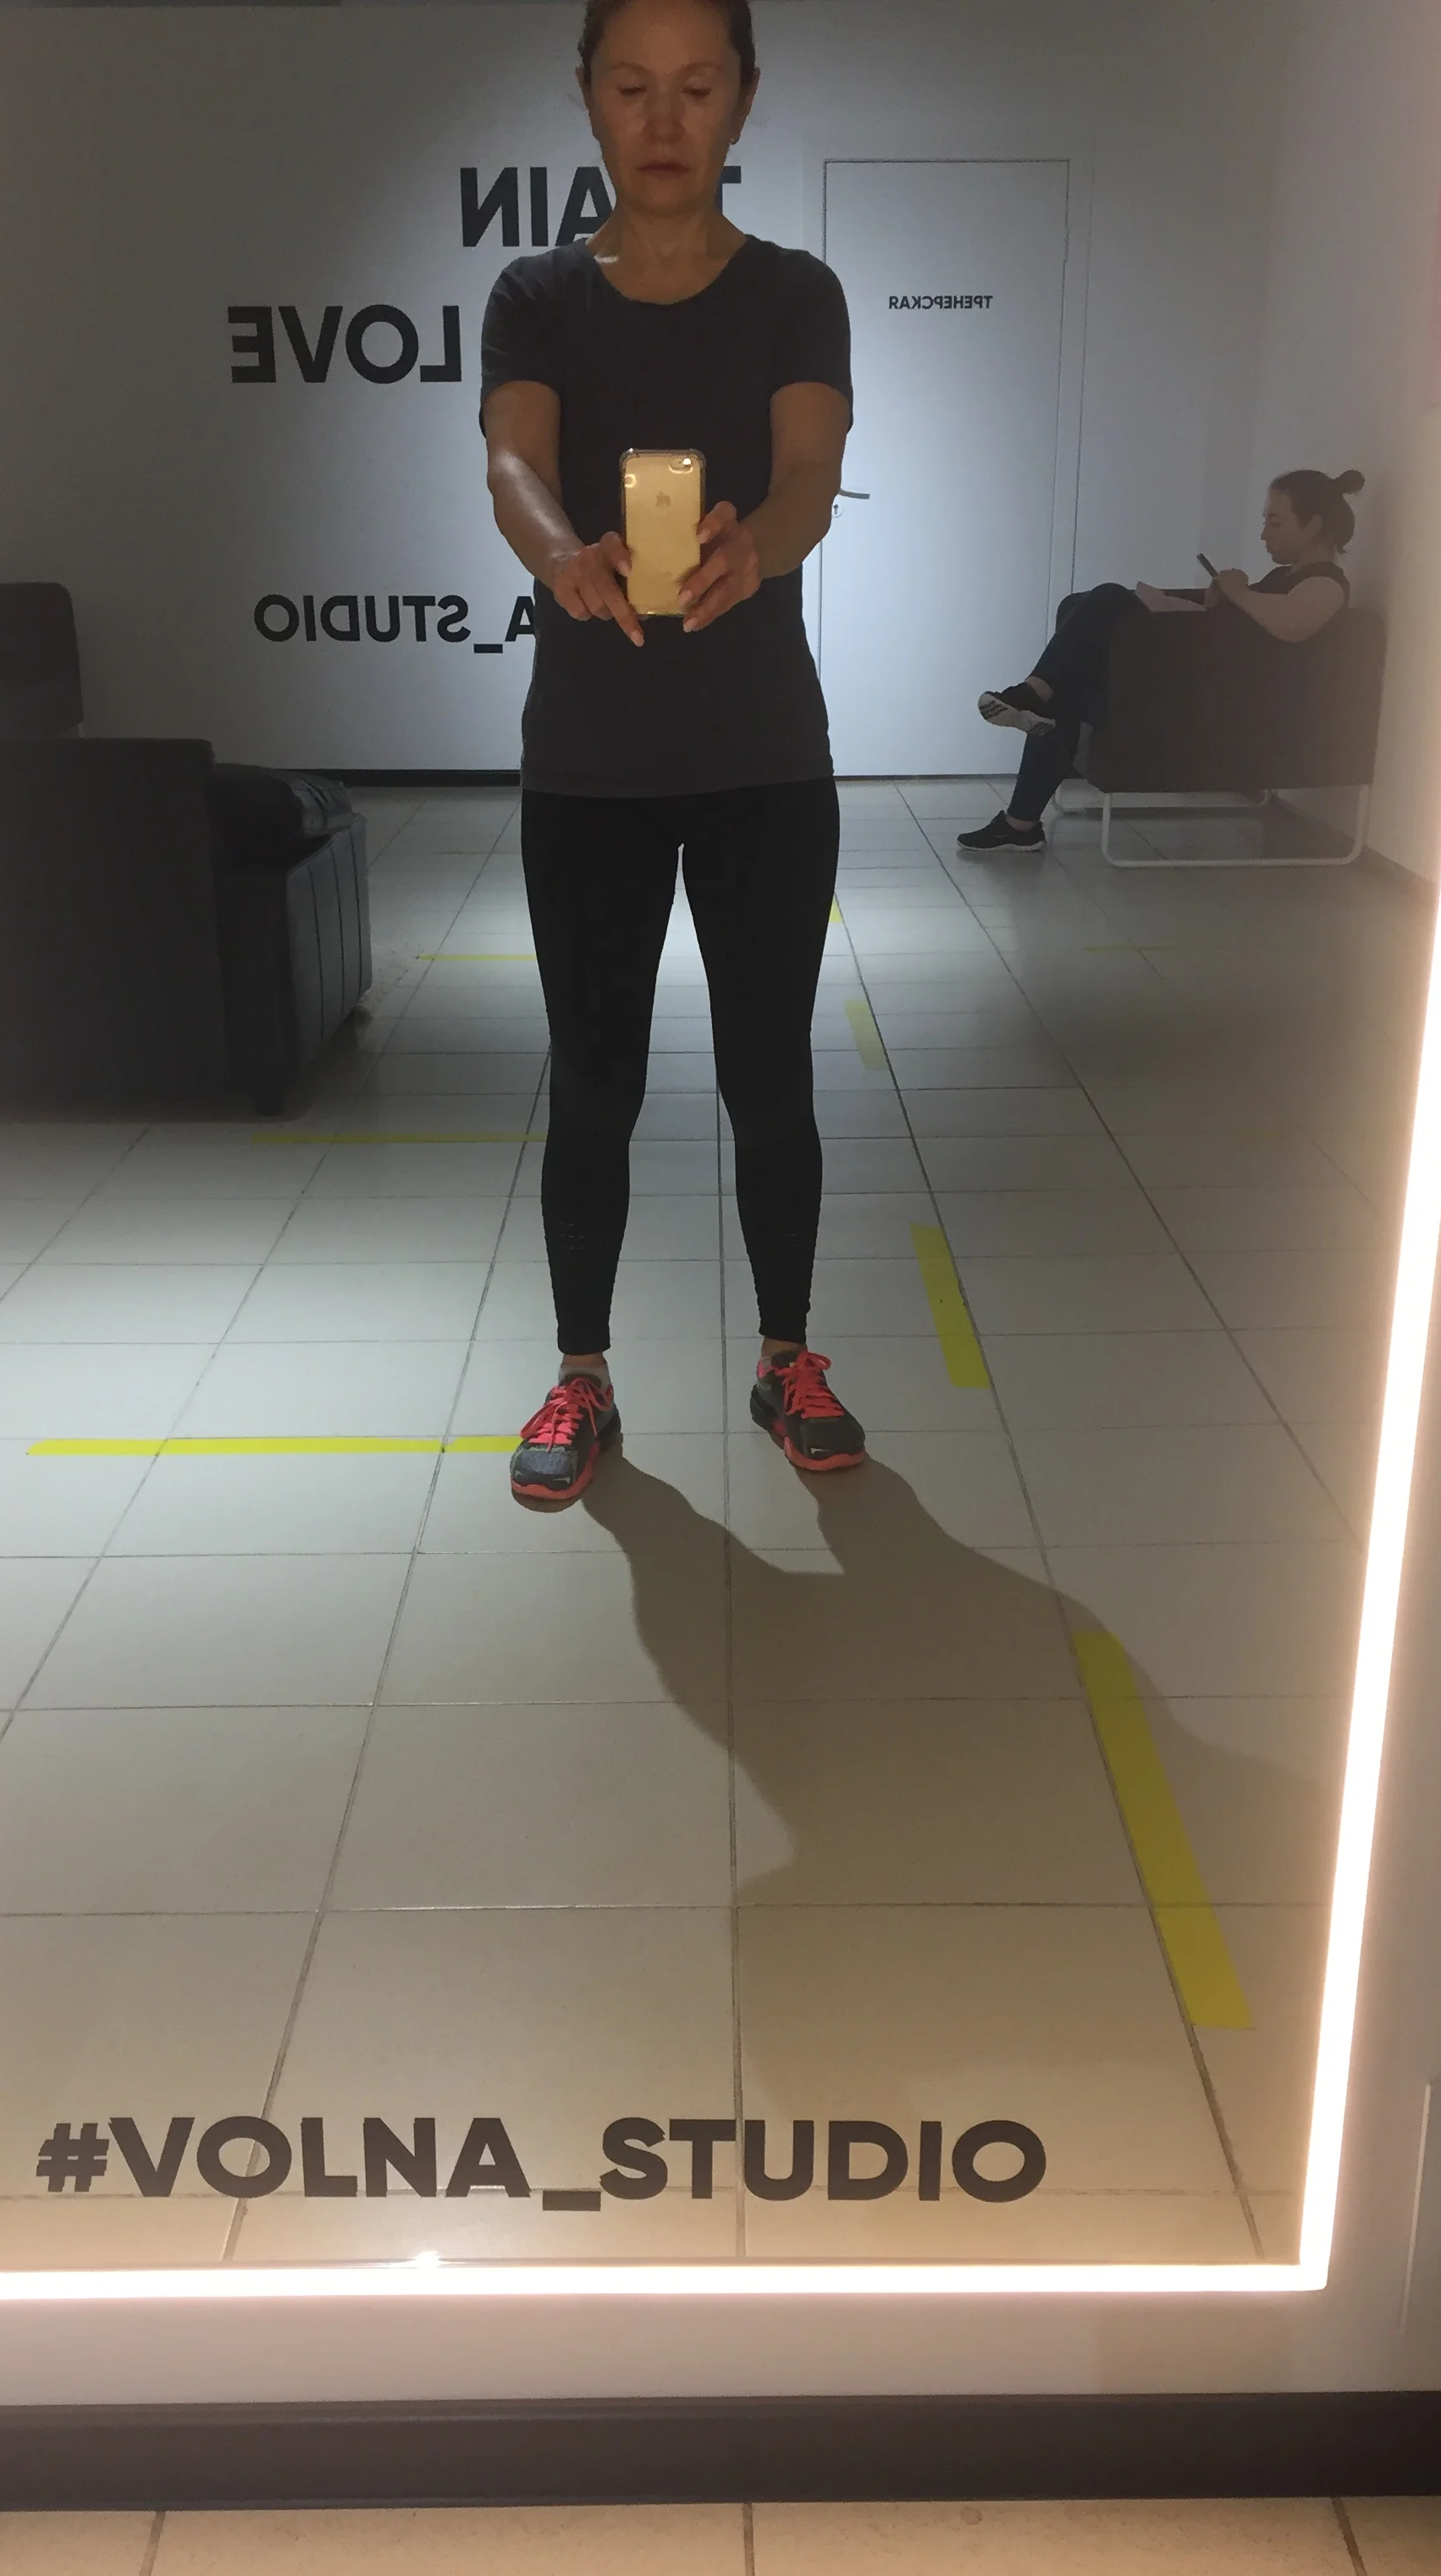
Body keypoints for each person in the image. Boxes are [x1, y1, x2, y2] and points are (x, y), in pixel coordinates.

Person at [480, 0, 867, 1506]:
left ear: (744, 99)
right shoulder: (535, 294)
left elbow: (811, 473)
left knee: (770, 1080)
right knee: (593, 1086)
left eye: (696, 86)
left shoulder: (794, 293)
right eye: (632, 85)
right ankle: (580, 1374)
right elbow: (512, 460)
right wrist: (560, 548)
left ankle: (787, 1358)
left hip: (763, 756)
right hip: (589, 767)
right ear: (586, 95)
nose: (662, 118)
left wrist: (756, 545)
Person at [957, 467, 1366, 853]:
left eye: (1275, 522)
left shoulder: (1325, 584)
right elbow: (1239, 635)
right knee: (1073, 672)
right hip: (1201, 686)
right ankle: (1022, 817)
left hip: (1219, 708)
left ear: (1313, 525)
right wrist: (1216, 601)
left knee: (1106, 601)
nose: (1264, 534)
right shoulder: (1280, 580)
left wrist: (1238, 593)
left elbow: (1292, 626)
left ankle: (1032, 698)